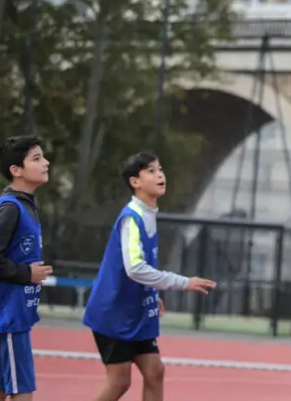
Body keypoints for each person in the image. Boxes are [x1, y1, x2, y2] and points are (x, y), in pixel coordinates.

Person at [83, 152, 218, 401]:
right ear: (135, 181)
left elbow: (142, 267)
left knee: (155, 371)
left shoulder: (149, 214)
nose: (160, 175)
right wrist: (184, 282)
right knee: (119, 382)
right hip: (113, 313)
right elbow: (134, 268)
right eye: (152, 171)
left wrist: (151, 294)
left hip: (136, 312)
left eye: (161, 169)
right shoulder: (131, 220)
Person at [0, 136, 54, 401]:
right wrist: (26, 274)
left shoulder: (25, 205)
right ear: (15, 170)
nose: (46, 162)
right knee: (22, 388)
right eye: (37, 158)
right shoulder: (10, 207)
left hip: (13, 313)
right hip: (6, 314)